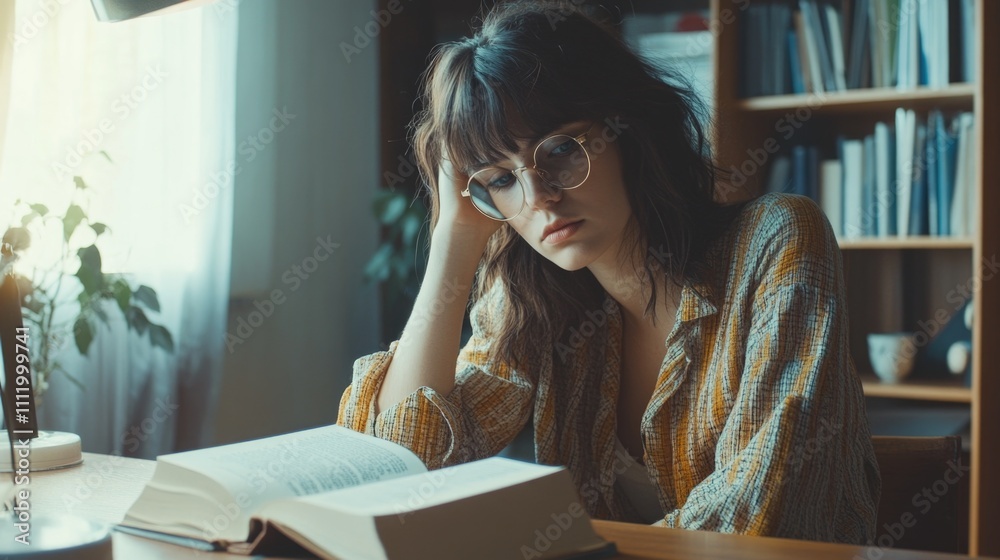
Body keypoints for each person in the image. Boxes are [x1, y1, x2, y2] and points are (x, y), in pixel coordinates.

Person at [338, 0, 880, 544]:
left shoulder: (776, 242)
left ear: (628, 128)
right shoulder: (532, 298)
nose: (540, 198)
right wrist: (452, 239)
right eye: (501, 179)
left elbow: (759, 513)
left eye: (561, 150)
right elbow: (403, 464)